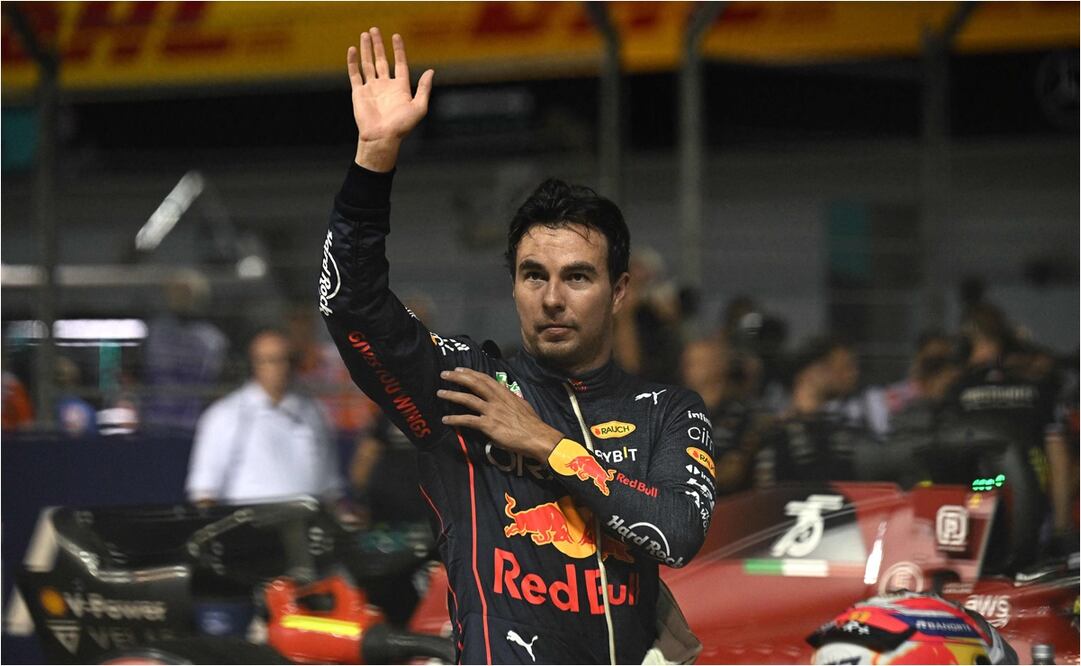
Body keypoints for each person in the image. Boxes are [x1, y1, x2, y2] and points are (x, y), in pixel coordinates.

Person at [320, 28, 713, 664]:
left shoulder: (667, 409)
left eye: (577, 276)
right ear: (514, 287)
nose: (552, 298)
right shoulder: (466, 386)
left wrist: (543, 442)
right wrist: (374, 159)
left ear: (619, 292)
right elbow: (350, 306)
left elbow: (677, 534)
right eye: (534, 275)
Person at [185, 329, 344, 505]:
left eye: (286, 360)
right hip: (249, 527)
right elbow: (204, 490)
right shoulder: (222, 416)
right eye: (270, 360)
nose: (280, 368)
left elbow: (330, 487)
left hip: (306, 524)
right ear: (254, 364)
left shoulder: (314, 412)